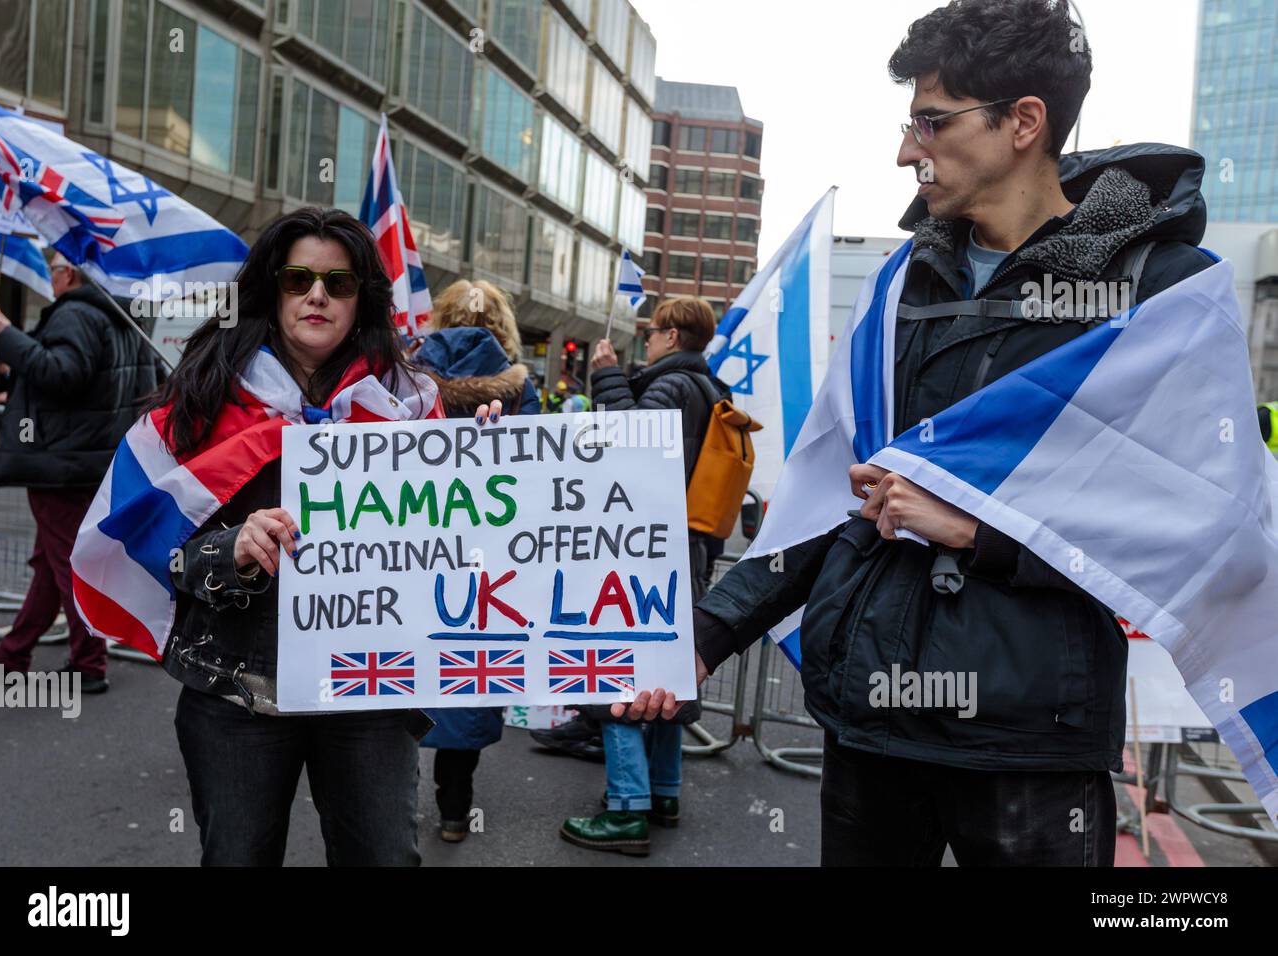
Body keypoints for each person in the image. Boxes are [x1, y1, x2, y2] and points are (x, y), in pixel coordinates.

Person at [622, 0, 1217, 866]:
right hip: (870, 719)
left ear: (1023, 123)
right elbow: (832, 496)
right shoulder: (901, 283)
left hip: (1029, 742)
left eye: (931, 122)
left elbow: (1186, 526)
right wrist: (705, 640)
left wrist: (978, 534)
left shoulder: (1160, 292)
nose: (907, 150)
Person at [125, 207, 503, 866]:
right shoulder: (201, 396)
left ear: (365, 298)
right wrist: (231, 549)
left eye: (339, 282)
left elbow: (462, 542)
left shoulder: (413, 402)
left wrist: (503, 469)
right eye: (299, 279)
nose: (318, 294)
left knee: (383, 858)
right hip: (235, 686)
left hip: (370, 689)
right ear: (273, 289)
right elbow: (157, 544)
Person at [554, 296, 729, 856]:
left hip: (640, 555)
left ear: (673, 337)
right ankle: (664, 792)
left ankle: (627, 810)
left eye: (653, 332)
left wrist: (606, 375)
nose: (647, 340)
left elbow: (627, 447)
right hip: (683, 551)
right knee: (665, 676)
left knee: (617, 677)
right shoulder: (710, 388)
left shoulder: (672, 385)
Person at [0, 252, 160, 692]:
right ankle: (12, 654)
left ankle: (88, 662)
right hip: (95, 460)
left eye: (55, 270)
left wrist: (7, 338)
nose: (52, 277)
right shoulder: (120, 317)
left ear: (71, 275)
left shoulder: (76, 312)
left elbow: (64, 374)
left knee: (65, 564)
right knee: (50, 562)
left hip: (62, 461)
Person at [410, 278, 541, 844]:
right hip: (489, 566)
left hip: (406, 557)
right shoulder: (517, 391)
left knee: (395, 673)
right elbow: (541, 476)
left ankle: (382, 808)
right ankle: (454, 809)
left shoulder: (402, 381)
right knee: (466, 677)